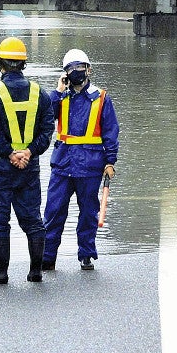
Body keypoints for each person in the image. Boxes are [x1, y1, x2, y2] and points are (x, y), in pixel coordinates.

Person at [0, 37, 54, 284]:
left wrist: (10, 154)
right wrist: (29, 153)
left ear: (0, 63)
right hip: (28, 167)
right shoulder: (39, 92)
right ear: (23, 64)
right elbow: (47, 130)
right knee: (33, 220)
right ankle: (35, 271)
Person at [42, 48, 120, 272]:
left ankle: (86, 254)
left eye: (80, 67)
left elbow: (111, 132)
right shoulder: (59, 98)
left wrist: (110, 161)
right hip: (63, 164)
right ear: (65, 73)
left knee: (88, 212)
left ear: (89, 69)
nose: (76, 71)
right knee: (54, 211)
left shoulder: (101, 98)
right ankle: (48, 256)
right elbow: (45, 115)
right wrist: (58, 91)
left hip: (90, 165)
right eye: (71, 68)